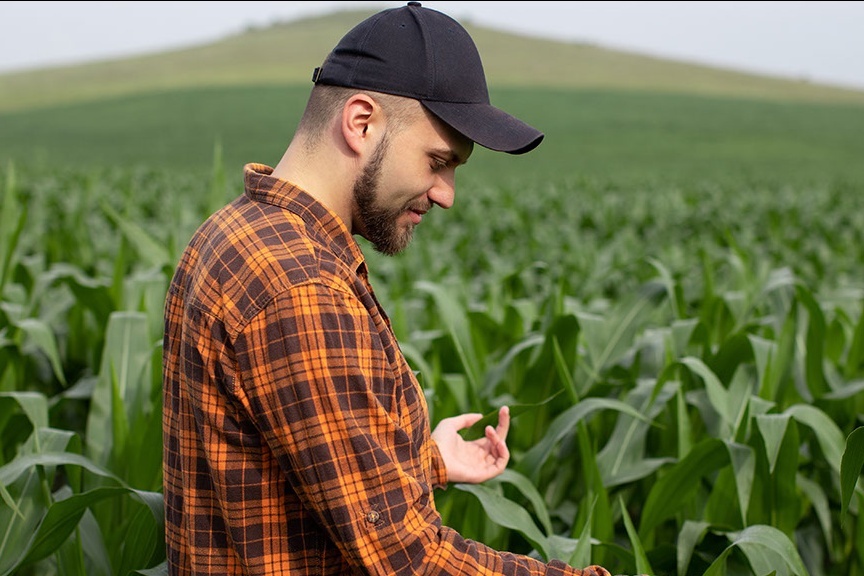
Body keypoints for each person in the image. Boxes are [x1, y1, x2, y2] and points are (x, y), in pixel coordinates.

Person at [162, 2, 611, 574]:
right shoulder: (301, 289)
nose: (446, 193)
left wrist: (424, 459)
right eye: (437, 160)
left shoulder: (233, 232)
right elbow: (410, 561)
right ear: (361, 122)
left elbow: (277, 458)